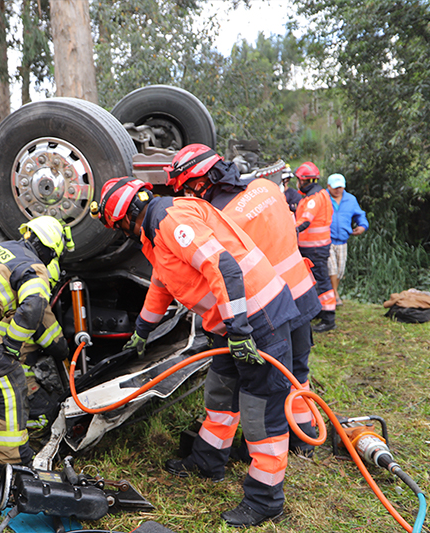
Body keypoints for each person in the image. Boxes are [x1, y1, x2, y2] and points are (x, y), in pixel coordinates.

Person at [91, 177, 298, 528]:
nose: (120, 232)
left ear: (124, 219)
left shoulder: (172, 221)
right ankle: (207, 462)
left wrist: (239, 329)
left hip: (257, 320)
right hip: (230, 325)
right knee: (220, 395)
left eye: (116, 227)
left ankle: (266, 500)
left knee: (260, 411)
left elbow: (225, 268)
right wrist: (142, 330)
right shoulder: (154, 234)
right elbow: (162, 283)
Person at [165, 145, 321, 457]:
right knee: (297, 373)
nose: (189, 196)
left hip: (268, 308)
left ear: (202, 180)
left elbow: (224, 270)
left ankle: (259, 447)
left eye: (188, 188)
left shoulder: (220, 218)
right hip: (302, 291)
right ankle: (305, 437)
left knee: (264, 382)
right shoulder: (266, 187)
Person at [0, 216, 73, 474]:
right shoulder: (33, 266)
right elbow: (34, 307)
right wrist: (11, 346)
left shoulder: (7, 249)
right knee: (10, 383)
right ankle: (12, 459)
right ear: (48, 249)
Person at [294, 162, 337, 332]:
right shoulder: (317, 195)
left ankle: (328, 318)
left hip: (315, 248)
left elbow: (305, 221)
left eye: (298, 180)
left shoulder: (314, 198)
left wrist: (289, 230)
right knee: (316, 280)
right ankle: (320, 311)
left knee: (321, 280)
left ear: (305, 181)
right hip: (314, 247)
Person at [326, 173, 368, 306]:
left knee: (339, 270)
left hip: (343, 240)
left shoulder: (350, 199)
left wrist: (362, 226)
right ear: (328, 186)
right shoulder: (323, 198)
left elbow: (359, 215)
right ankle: (335, 295)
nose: (338, 190)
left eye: (340, 187)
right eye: (335, 187)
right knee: (331, 268)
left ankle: (333, 293)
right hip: (327, 240)